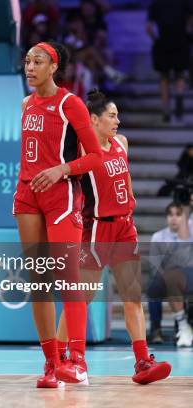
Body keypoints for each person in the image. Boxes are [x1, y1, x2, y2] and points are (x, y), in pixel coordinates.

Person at [55, 89, 171, 384]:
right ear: (94, 119)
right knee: (82, 297)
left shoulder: (121, 143)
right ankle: (57, 359)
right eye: (112, 115)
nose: (118, 120)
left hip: (124, 228)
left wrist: (129, 202)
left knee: (133, 298)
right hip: (96, 229)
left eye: (118, 115)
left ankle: (142, 361)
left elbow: (127, 180)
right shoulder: (82, 150)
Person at [13, 41, 103, 388]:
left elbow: (94, 156)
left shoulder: (70, 103)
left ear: (54, 66)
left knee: (67, 279)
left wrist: (61, 169)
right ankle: (51, 364)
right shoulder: (25, 104)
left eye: (37, 61)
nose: (30, 67)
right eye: (27, 61)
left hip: (62, 196)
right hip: (27, 195)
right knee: (39, 284)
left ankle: (77, 361)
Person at [148, 202, 193, 347]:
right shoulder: (158, 236)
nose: (174, 218)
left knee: (176, 279)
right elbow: (154, 265)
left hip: (189, 275)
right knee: (153, 287)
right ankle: (156, 329)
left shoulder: (190, 232)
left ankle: (181, 326)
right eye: (170, 215)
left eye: (178, 215)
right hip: (165, 275)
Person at [146, 0, 192, 122]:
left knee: (164, 77)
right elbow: (190, 21)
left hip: (162, 42)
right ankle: (179, 95)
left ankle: (166, 109)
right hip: (181, 40)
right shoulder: (184, 3)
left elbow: (149, 27)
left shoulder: (156, 3)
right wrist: (188, 35)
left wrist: (156, 40)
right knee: (180, 73)